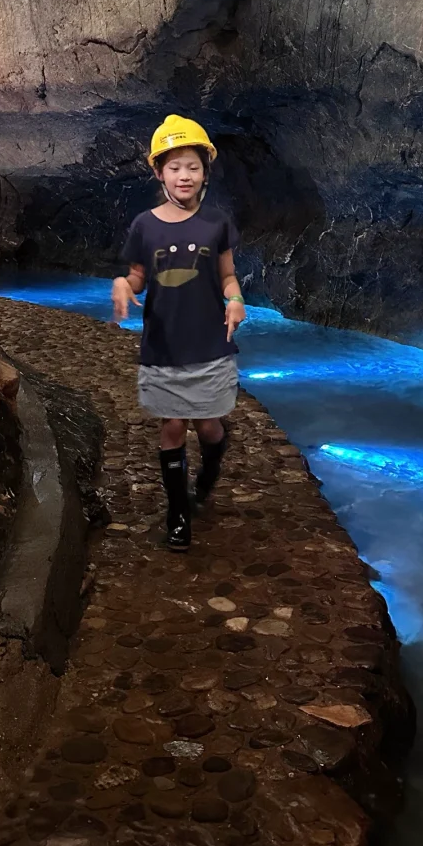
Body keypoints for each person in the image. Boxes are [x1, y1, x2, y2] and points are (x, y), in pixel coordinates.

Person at [111, 115, 247, 549]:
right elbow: (138, 276)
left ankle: (211, 466)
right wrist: (124, 284)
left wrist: (235, 299)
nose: (184, 175)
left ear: (205, 172)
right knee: (172, 425)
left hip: (209, 343)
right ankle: (178, 513)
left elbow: (227, 275)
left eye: (192, 166)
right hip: (163, 344)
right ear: (159, 172)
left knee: (207, 426)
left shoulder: (216, 223)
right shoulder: (144, 225)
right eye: (174, 167)